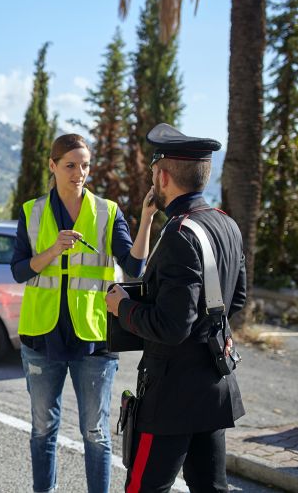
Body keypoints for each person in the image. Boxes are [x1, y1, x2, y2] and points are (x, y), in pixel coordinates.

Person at [11, 133, 157, 493]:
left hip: (94, 339)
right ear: (53, 166)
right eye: (70, 165)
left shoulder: (107, 212)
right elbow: (18, 270)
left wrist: (148, 218)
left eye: (85, 165)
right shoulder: (32, 212)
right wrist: (52, 250)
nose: (79, 173)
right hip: (41, 337)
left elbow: (135, 266)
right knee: (43, 430)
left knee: (95, 433)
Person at [105, 123, 246, 493]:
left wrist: (122, 307)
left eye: (154, 173)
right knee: (211, 488)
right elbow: (238, 299)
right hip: (213, 385)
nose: (153, 180)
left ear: (163, 176)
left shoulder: (180, 235)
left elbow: (171, 326)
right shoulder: (227, 225)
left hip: (170, 397)